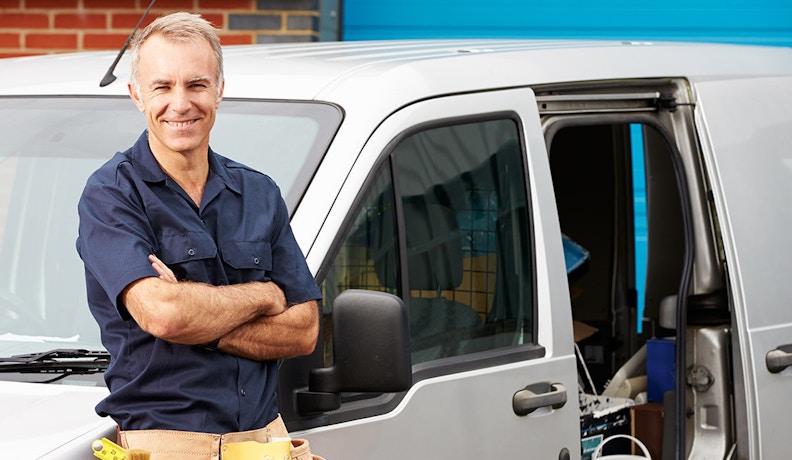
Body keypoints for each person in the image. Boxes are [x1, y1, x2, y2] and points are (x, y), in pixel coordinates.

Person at [76, 12, 323, 460]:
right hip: (168, 447)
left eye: (196, 85)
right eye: (162, 87)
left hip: (267, 444)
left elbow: (304, 331)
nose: (180, 103)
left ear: (219, 90)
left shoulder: (258, 192)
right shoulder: (111, 194)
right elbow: (165, 316)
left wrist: (202, 323)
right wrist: (265, 296)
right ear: (136, 95)